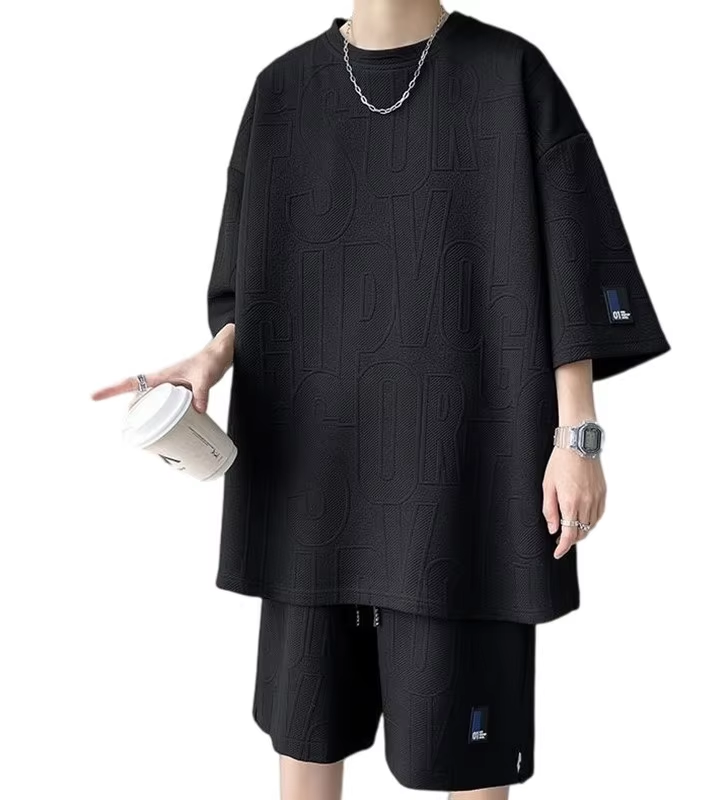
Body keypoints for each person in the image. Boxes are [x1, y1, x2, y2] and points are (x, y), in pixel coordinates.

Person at [92, 2, 671, 797]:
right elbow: (255, 276)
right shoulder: (282, 90)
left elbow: (571, 257)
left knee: (467, 753)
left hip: (466, 472)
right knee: (308, 740)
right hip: (314, 473)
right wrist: (217, 353)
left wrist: (578, 436)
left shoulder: (510, 74)